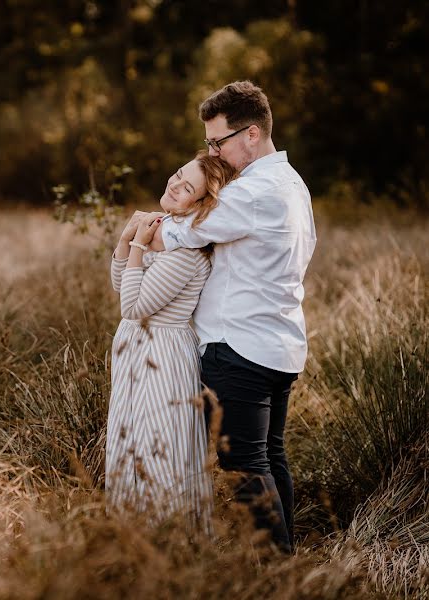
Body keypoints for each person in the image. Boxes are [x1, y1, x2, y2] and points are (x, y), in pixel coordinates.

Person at [147, 80, 317, 553]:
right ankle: (290, 563)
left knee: (244, 464)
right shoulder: (293, 185)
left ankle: (278, 570)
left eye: (217, 142)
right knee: (268, 457)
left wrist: (149, 226)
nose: (212, 153)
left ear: (251, 135)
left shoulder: (255, 192)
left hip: (239, 348)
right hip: (279, 346)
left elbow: (174, 236)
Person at [106, 151, 237, 533]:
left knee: (156, 443)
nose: (175, 184)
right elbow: (121, 286)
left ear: (202, 203)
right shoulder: (164, 229)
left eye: (188, 187)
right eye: (178, 174)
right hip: (136, 349)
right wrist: (126, 240)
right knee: (130, 437)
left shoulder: (188, 251)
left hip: (161, 354)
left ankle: (167, 536)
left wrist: (138, 247)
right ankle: (129, 530)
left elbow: (132, 306)